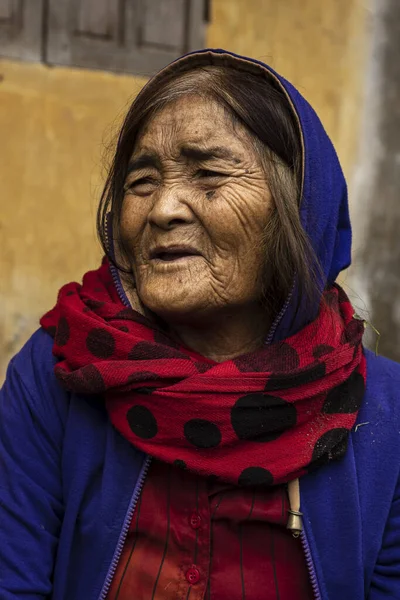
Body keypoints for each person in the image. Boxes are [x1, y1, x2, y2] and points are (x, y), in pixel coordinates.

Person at [1, 48, 399, 600]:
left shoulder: (385, 414)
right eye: (141, 182)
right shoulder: (59, 373)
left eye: (209, 173)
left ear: (298, 209)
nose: (163, 208)